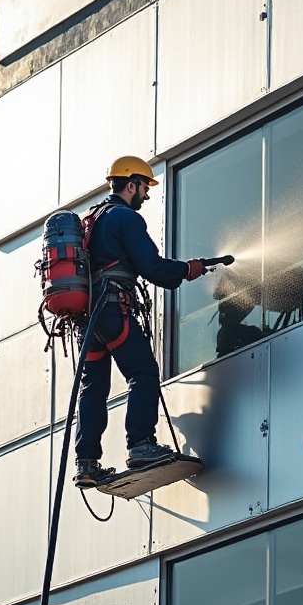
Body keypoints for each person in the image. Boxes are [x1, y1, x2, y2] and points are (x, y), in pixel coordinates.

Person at [74, 155, 205, 488]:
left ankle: (86, 463)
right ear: (130, 184)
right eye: (145, 187)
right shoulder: (125, 218)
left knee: (93, 390)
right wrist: (187, 270)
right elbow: (152, 266)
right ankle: (141, 444)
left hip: (86, 322)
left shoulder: (92, 220)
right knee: (143, 372)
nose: (146, 195)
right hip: (111, 308)